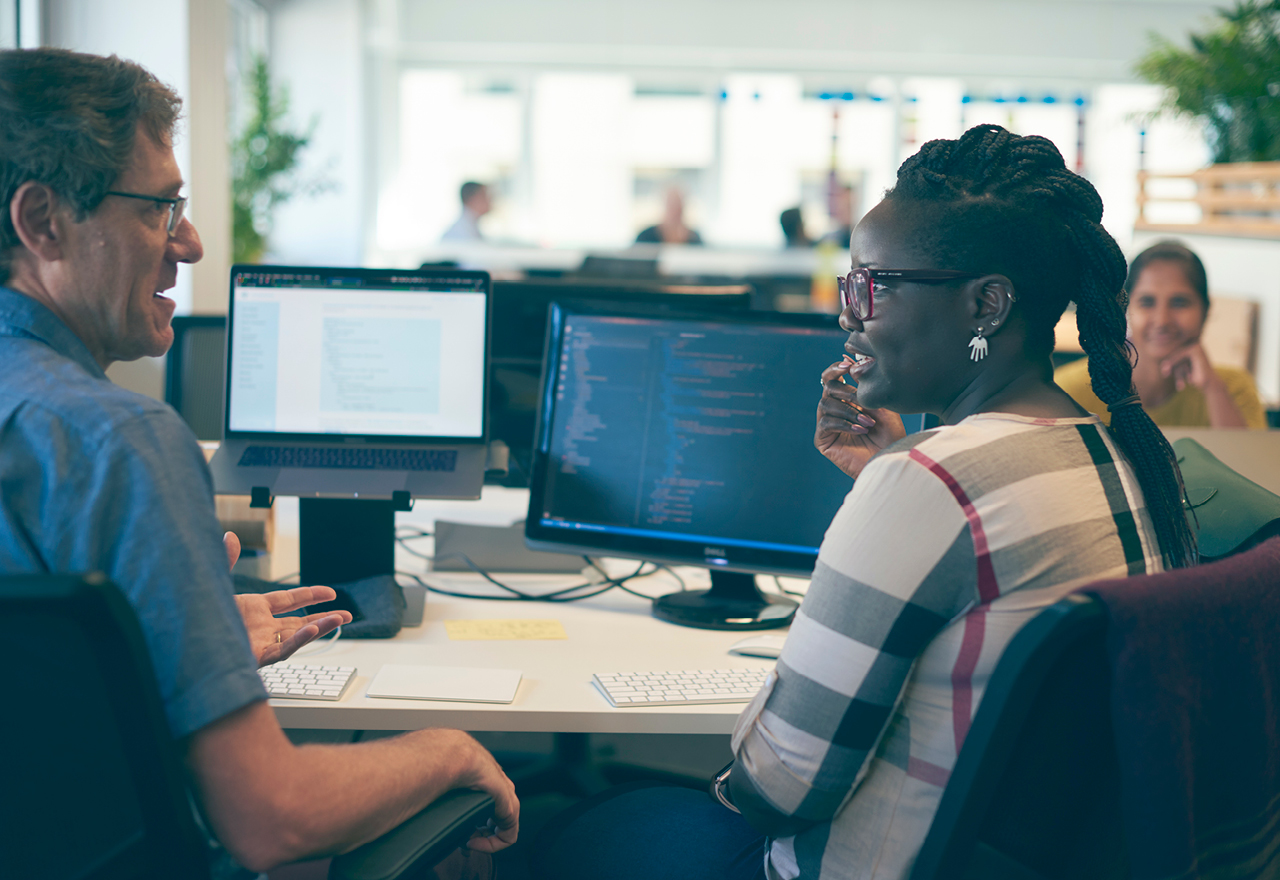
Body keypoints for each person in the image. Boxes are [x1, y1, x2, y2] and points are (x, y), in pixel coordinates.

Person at [530, 125, 1195, 880]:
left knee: (550, 825)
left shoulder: (931, 482)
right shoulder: (1117, 452)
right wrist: (888, 474)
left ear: (986, 305)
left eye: (872, 284)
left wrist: (900, 484)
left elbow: (776, 788)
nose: (849, 313)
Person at [0, 48, 517, 879]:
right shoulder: (119, 443)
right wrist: (449, 749)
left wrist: (145, 648)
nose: (192, 243)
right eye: (159, 209)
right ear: (43, 221)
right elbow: (273, 819)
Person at [1055, 240, 1266, 428]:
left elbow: (1247, 469)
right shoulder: (1068, 393)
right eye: (1147, 302)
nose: (1162, 320)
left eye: (1179, 302)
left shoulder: (1234, 389)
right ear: (1124, 310)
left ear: (1206, 311)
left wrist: (1213, 389)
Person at [636, 186, 703, 245]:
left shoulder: (694, 238)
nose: (675, 210)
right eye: (671, 205)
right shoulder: (645, 237)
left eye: (678, 205)